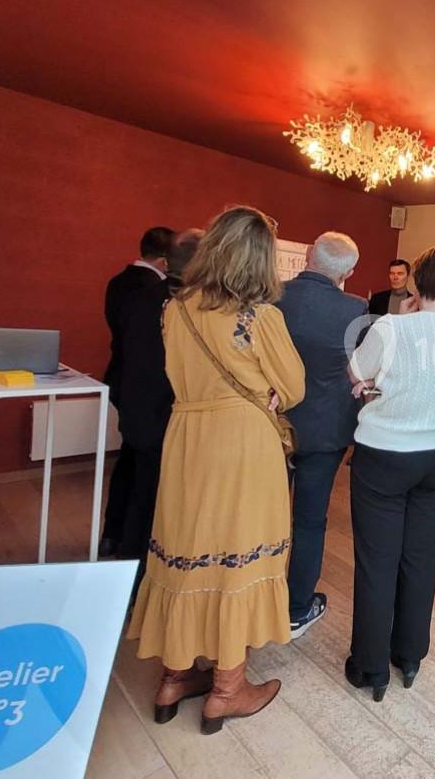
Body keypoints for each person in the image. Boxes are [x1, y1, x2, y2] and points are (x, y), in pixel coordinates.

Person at [126, 207, 305, 735]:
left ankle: (174, 677)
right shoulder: (260, 316)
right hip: (243, 442)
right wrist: (269, 391)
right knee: (237, 555)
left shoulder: (174, 309)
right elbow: (293, 387)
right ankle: (228, 689)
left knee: (186, 547)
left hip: (187, 437)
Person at [345, 245, 435, 701]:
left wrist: (376, 379)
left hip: (386, 453)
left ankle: (370, 666)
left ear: (416, 282)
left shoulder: (390, 327)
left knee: (377, 559)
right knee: (420, 553)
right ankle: (409, 655)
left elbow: (355, 372)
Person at [278, 232, 368, 639]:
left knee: (265, 516)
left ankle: (255, 601)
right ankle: (298, 607)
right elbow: (358, 369)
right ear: (349, 272)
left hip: (275, 422)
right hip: (327, 427)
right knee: (310, 521)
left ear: (309, 255)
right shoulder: (355, 308)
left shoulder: (273, 296)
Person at [112, 229, 203, 584]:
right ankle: (148, 578)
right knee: (159, 500)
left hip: (136, 406)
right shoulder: (188, 307)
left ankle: (128, 568)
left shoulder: (140, 298)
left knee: (140, 491)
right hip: (165, 414)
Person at [100, 225, 175, 557]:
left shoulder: (118, 282)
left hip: (123, 380)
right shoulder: (157, 294)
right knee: (145, 474)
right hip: (150, 390)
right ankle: (134, 547)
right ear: (165, 260)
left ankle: (113, 532)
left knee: (129, 460)